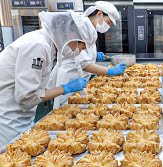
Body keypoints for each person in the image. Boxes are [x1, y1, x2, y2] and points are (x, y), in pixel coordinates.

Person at [0, 11, 97, 147]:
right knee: (12, 159)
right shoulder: (37, 46)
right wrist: (64, 88)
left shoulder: (47, 46)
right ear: (70, 37)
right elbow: (26, 98)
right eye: (80, 48)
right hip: (9, 119)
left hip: (22, 115)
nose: (78, 52)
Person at [50, 1, 126, 108]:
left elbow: (83, 54)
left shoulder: (89, 28)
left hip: (80, 79)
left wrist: (94, 55)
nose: (108, 26)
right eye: (108, 22)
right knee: (65, 110)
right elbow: (84, 64)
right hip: (70, 79)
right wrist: (109, 71)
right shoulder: (82, 27)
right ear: (99, 14)